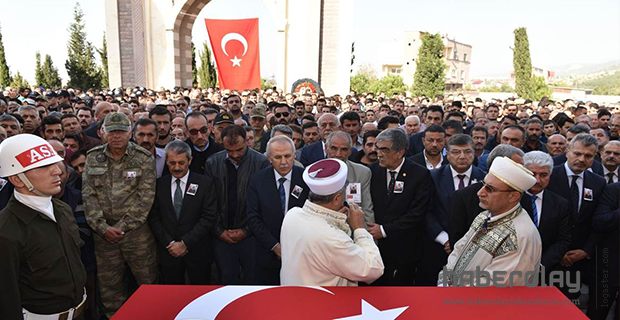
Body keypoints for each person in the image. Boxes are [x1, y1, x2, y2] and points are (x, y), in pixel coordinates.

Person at [0, 134, 87, 319]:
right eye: (43, 166)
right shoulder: (5, 230)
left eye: (56, 163)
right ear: (17, 179)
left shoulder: (62, 209)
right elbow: (6, 296)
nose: (57, 171)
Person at [82, 112, 158, 317]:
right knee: (110, 290)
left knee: (148, 284)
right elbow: (88, 196)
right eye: (112, 132)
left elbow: (146, 198)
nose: (116, 136)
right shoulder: (93, 157)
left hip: (137, 236)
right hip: (103, 236)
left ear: (130, 133)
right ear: (103, 133)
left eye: (121, 132)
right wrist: (103, 228)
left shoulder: (142, 158)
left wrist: (121, 227)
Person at [438, 156, 541, 287]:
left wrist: (453, 289)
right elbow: (459, 249)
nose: (480, 193)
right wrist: (445, 280)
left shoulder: (520, 235)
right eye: (483, 184)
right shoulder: (484, 215)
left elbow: (496, 284)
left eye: (490, 189)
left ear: (513, 196)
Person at [280, 158, 384, 286]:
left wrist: (338, 222)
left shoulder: (292, 215)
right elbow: (374, 268)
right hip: (324, 303)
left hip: (294, 297)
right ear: (337, 198)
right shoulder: (332, 238)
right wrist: (359, 229)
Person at [205, 125, 269, 284]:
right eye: (229, 150)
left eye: (239, 150)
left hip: (251, 235)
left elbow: (263, 203)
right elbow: (208, 201)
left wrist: (246, 230)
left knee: (252, 279)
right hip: (221, 234)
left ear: (247, 141)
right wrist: (219, 231)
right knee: (227, 277)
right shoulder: (213, 163)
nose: (234, 155)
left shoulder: (261, 162)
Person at [369, 128, 433, 285]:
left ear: (400, 152)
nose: (379, 153)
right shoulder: (372, 172)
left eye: (384, 149)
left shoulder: (419, 174)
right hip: (376, 250)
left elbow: (417, 213)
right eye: (377, 148)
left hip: (405, 250)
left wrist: (384, 230)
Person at [149, 140, 216, 284]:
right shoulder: (159, 185)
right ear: (166, 161)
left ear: (190, 160)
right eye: (172, 163)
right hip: (168, 252)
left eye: (181, 162)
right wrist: (170, 243)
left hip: (198, 251)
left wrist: (185, 243)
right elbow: (154, 217)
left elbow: (208, 217)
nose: (177, 167)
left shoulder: (205, 183)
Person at [246, 135, 309, 284]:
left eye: (287, 156)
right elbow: (253, 217)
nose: (283, 162)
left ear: (294, 155)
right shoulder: (257, 180)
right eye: (278, 157)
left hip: (302, 252)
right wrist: (275, 246)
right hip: (266, 252)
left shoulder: (306, 179)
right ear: (269, 158)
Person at [325, 131, 375, 224]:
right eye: (334, 148)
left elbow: (366, 207)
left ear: (350, 151)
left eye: (344, 149)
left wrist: (367, 235)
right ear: (326, 148)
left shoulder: (362, 172)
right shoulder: (313, 173)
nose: (338, 154)